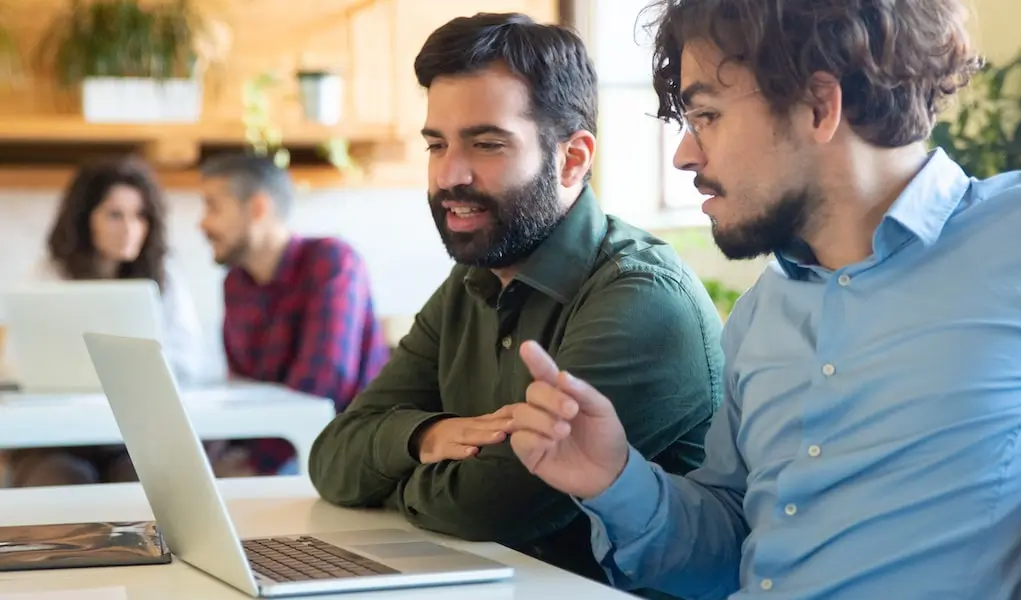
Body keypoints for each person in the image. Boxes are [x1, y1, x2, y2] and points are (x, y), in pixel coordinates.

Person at [507, 1, 1021, 599]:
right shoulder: (760, 318)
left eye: (708, 115)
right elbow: (729, 555)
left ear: (818, 105)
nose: (685, 155)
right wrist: (614, 478)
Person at [307, 12, 724, 590]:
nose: (449, 175)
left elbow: (484, 507)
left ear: (573, 159)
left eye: (486, 144)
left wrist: (394, 475)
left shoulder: (640, 299)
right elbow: (332, 456)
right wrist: (425, 437)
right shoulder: (474, 278)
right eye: (436, 144)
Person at [8, 155, 208, 487]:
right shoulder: (47, 275)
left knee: (147, 484)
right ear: (85, 219)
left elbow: (190, 363)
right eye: (115, 215)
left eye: (140, 215)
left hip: (136, 435)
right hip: (58, 435)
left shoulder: (164, 277)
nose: (130, 229)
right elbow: (16, 361)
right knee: (61, 479)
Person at [197, 154, 390, 477]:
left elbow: (325, 383)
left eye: (213, 207)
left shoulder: (332, 262)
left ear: (257, 208)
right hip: (278, 448)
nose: (202, 223)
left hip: (346, 448)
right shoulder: (236, 282)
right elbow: (244, 390)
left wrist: (254, 465)